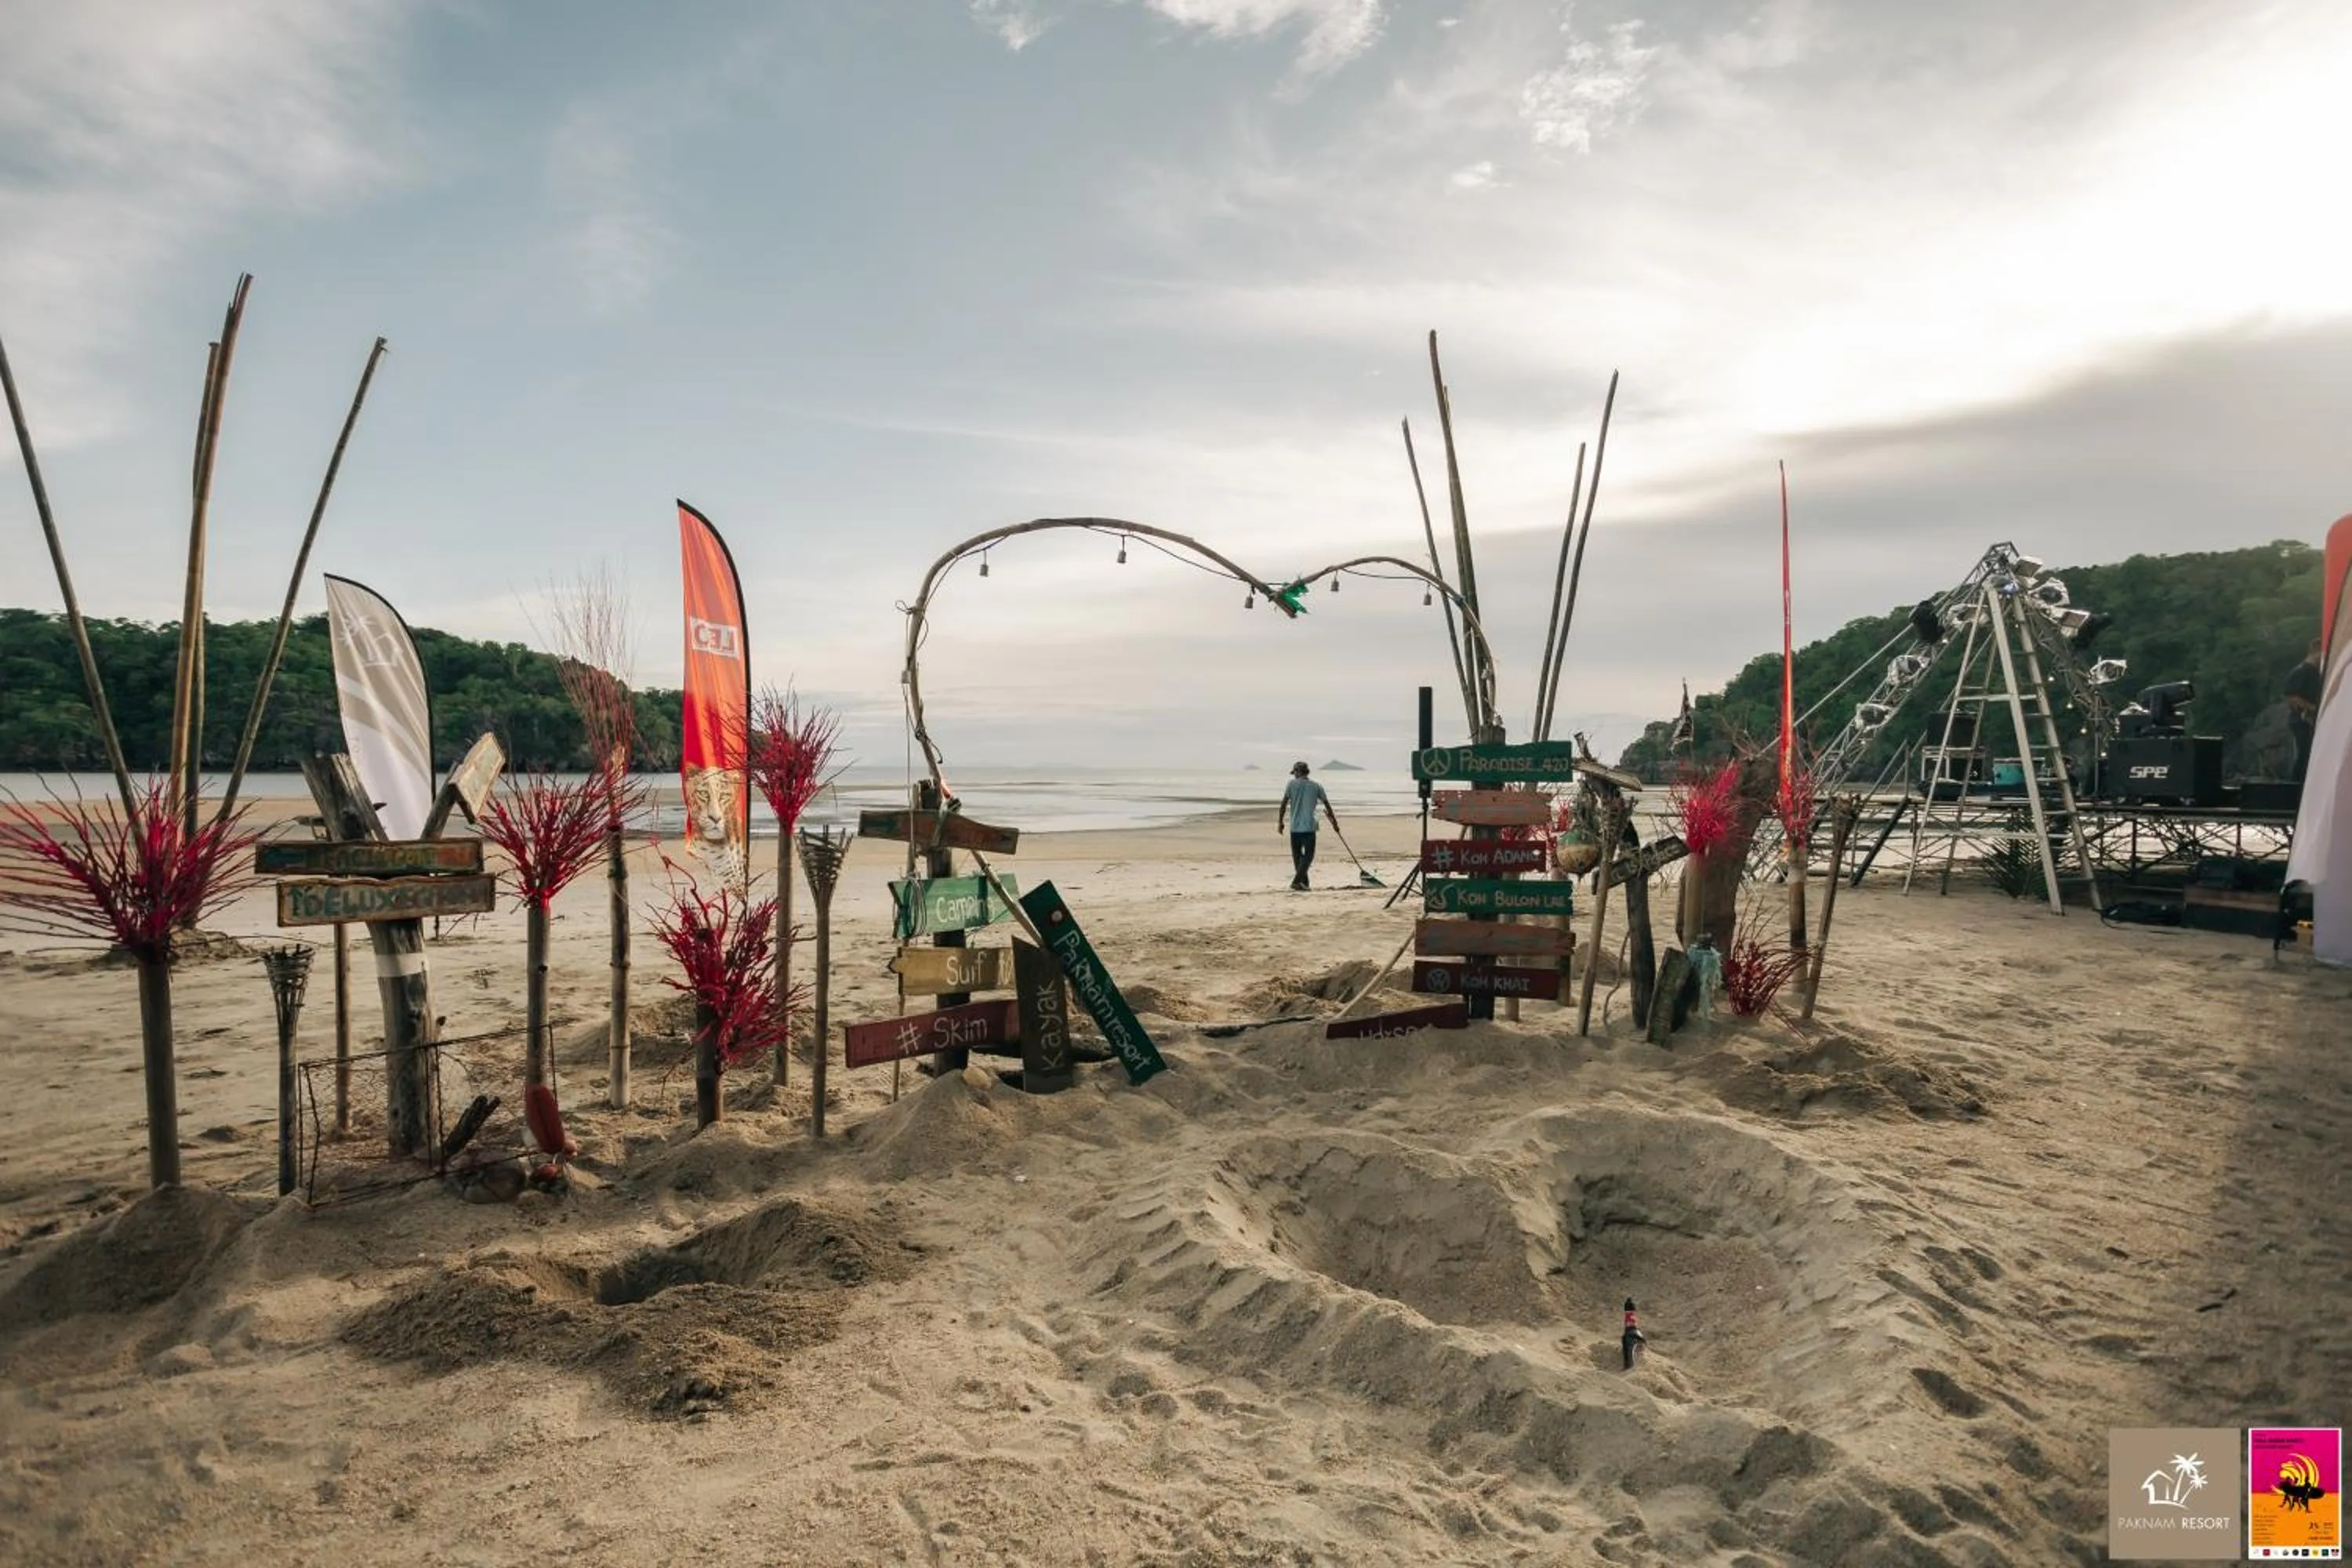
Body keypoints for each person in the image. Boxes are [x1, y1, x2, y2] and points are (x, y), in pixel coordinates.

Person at [1276, 760, 1338, 891]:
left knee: (1298, 858)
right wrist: (1334, 822)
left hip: (1295, 827)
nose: (1294, 776)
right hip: (1309, 826)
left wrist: (1280, 822)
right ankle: (1299, 882)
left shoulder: (1291, 785)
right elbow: (1327, 804)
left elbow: (1283, 804)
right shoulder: (1316, 786)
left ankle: (1302, 883)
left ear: (1298, 772)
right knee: (1308, 856)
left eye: (1295, 773)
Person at [2285, 637, 2324, 782]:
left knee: (2311, 754)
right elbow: (2291, 697)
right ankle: (2296, 786)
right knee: (2304, 753)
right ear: (2315, 651)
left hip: (2312, 720)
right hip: (2301, 720)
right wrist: (2313, 708)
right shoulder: (2301, 671)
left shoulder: (2317, 673)